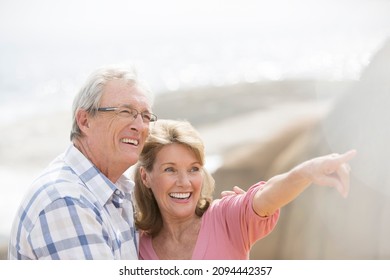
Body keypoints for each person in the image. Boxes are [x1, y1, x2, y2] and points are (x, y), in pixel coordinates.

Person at [133, 119, 356, 260]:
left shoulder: (227, 217)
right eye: (170, 170)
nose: (184, 182)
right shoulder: (135, 243)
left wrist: (306, 172)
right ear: (146, 177)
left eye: (193, 169)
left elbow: (267, 196)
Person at [8, 65, 158, 259]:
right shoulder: (66, 201)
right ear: (85, 120)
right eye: (125, 112)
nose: (139, 126)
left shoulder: (115, 190)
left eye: (145, 116)